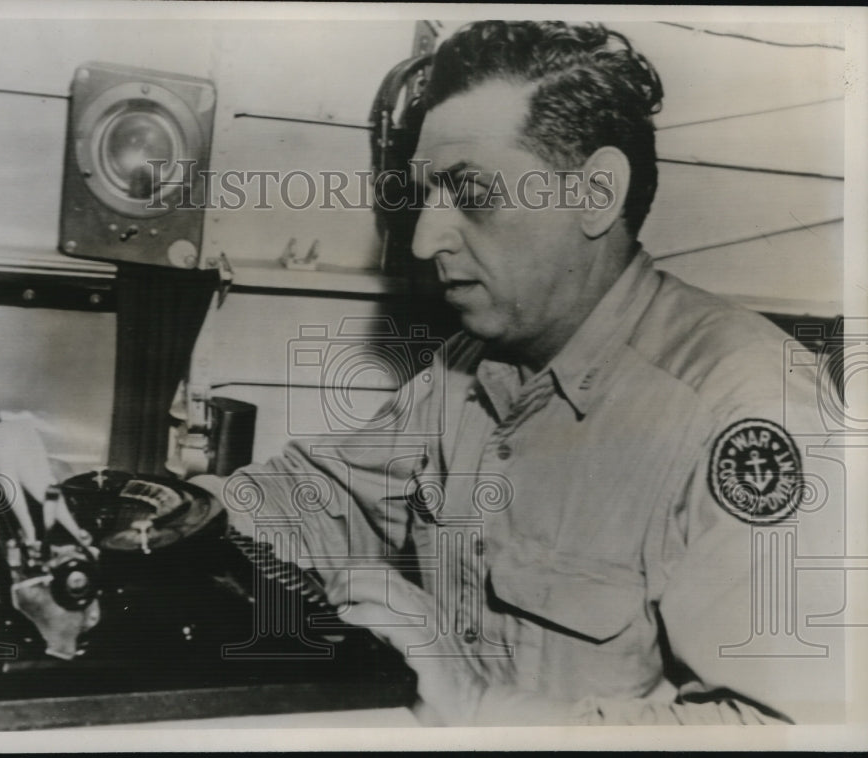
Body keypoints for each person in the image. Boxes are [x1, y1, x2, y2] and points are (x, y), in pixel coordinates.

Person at [193, 20, 845, 725]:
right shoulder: (466, 369)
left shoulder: (749, 411)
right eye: (424, 196)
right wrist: (179, 512)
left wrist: (474, 707)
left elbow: (783, 731)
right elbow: (324, 495)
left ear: (596, 194)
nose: (424, 239)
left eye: (470, 193)